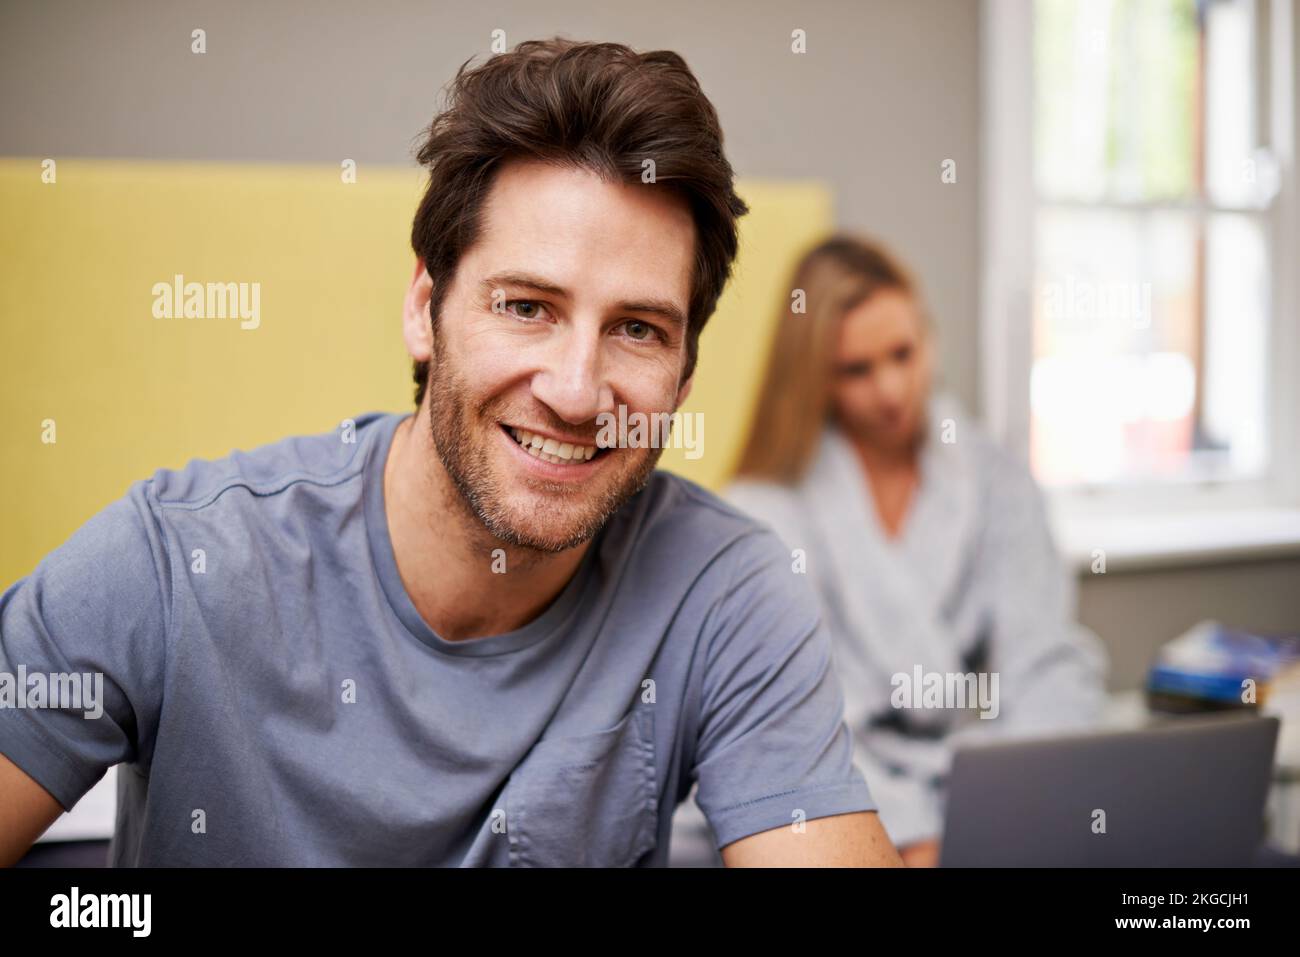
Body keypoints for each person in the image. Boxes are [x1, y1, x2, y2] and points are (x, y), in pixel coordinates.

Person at [0, 40, 902, 868]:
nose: (577, 391)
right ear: (424, 309)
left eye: (637, 328)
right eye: (526, 307)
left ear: (683, 377)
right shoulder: (178, 561)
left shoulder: (725, 591)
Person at [674, 234, 1107, 867]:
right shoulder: (764, 511)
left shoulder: (996, 481)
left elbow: (1046, 661)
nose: (892, 389)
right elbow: (788, 726)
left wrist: (1020, 799)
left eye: (904, 354)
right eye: (857, 370)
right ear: (814, 377)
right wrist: (914, 835)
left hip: (990, 796)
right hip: (835, 802)